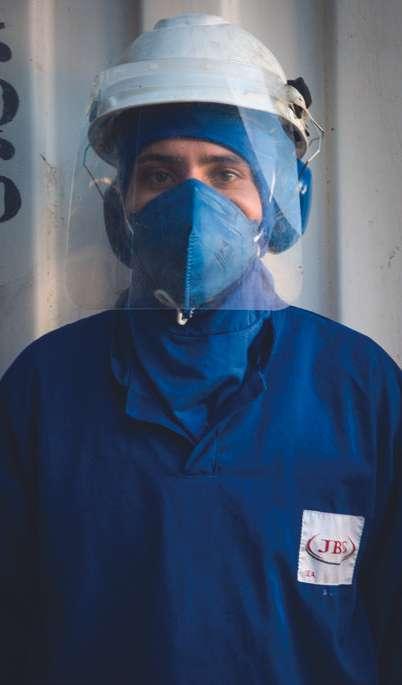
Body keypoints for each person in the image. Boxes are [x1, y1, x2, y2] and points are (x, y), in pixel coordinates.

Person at [0, 12, 400, 685]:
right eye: (159, 175)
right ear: (119, 207)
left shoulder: (360, 388)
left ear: (280, 202)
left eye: (224, 173)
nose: (192, 205)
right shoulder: (43, 389)